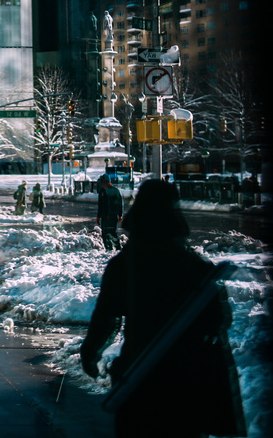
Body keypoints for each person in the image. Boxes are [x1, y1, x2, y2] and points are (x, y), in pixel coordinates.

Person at [80, 180, 245, 438]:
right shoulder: (196, 266)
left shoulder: (124, 266)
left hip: (139, 373)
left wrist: (91, 353)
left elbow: (106, 318)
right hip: (186, 380)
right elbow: (220, 318)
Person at [96, 174, 123, 250]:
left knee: (112, 232)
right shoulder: (102, 191)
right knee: (104, 233)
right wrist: (98, 216)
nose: (102, 184)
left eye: (103, 182)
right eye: (102, 183)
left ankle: (118, 248)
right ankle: (108, 249)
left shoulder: (115, 191)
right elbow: (100, 205)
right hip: (104, 216)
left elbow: (119, 204)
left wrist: (120, 215)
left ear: (108, 182)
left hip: (113, 215)